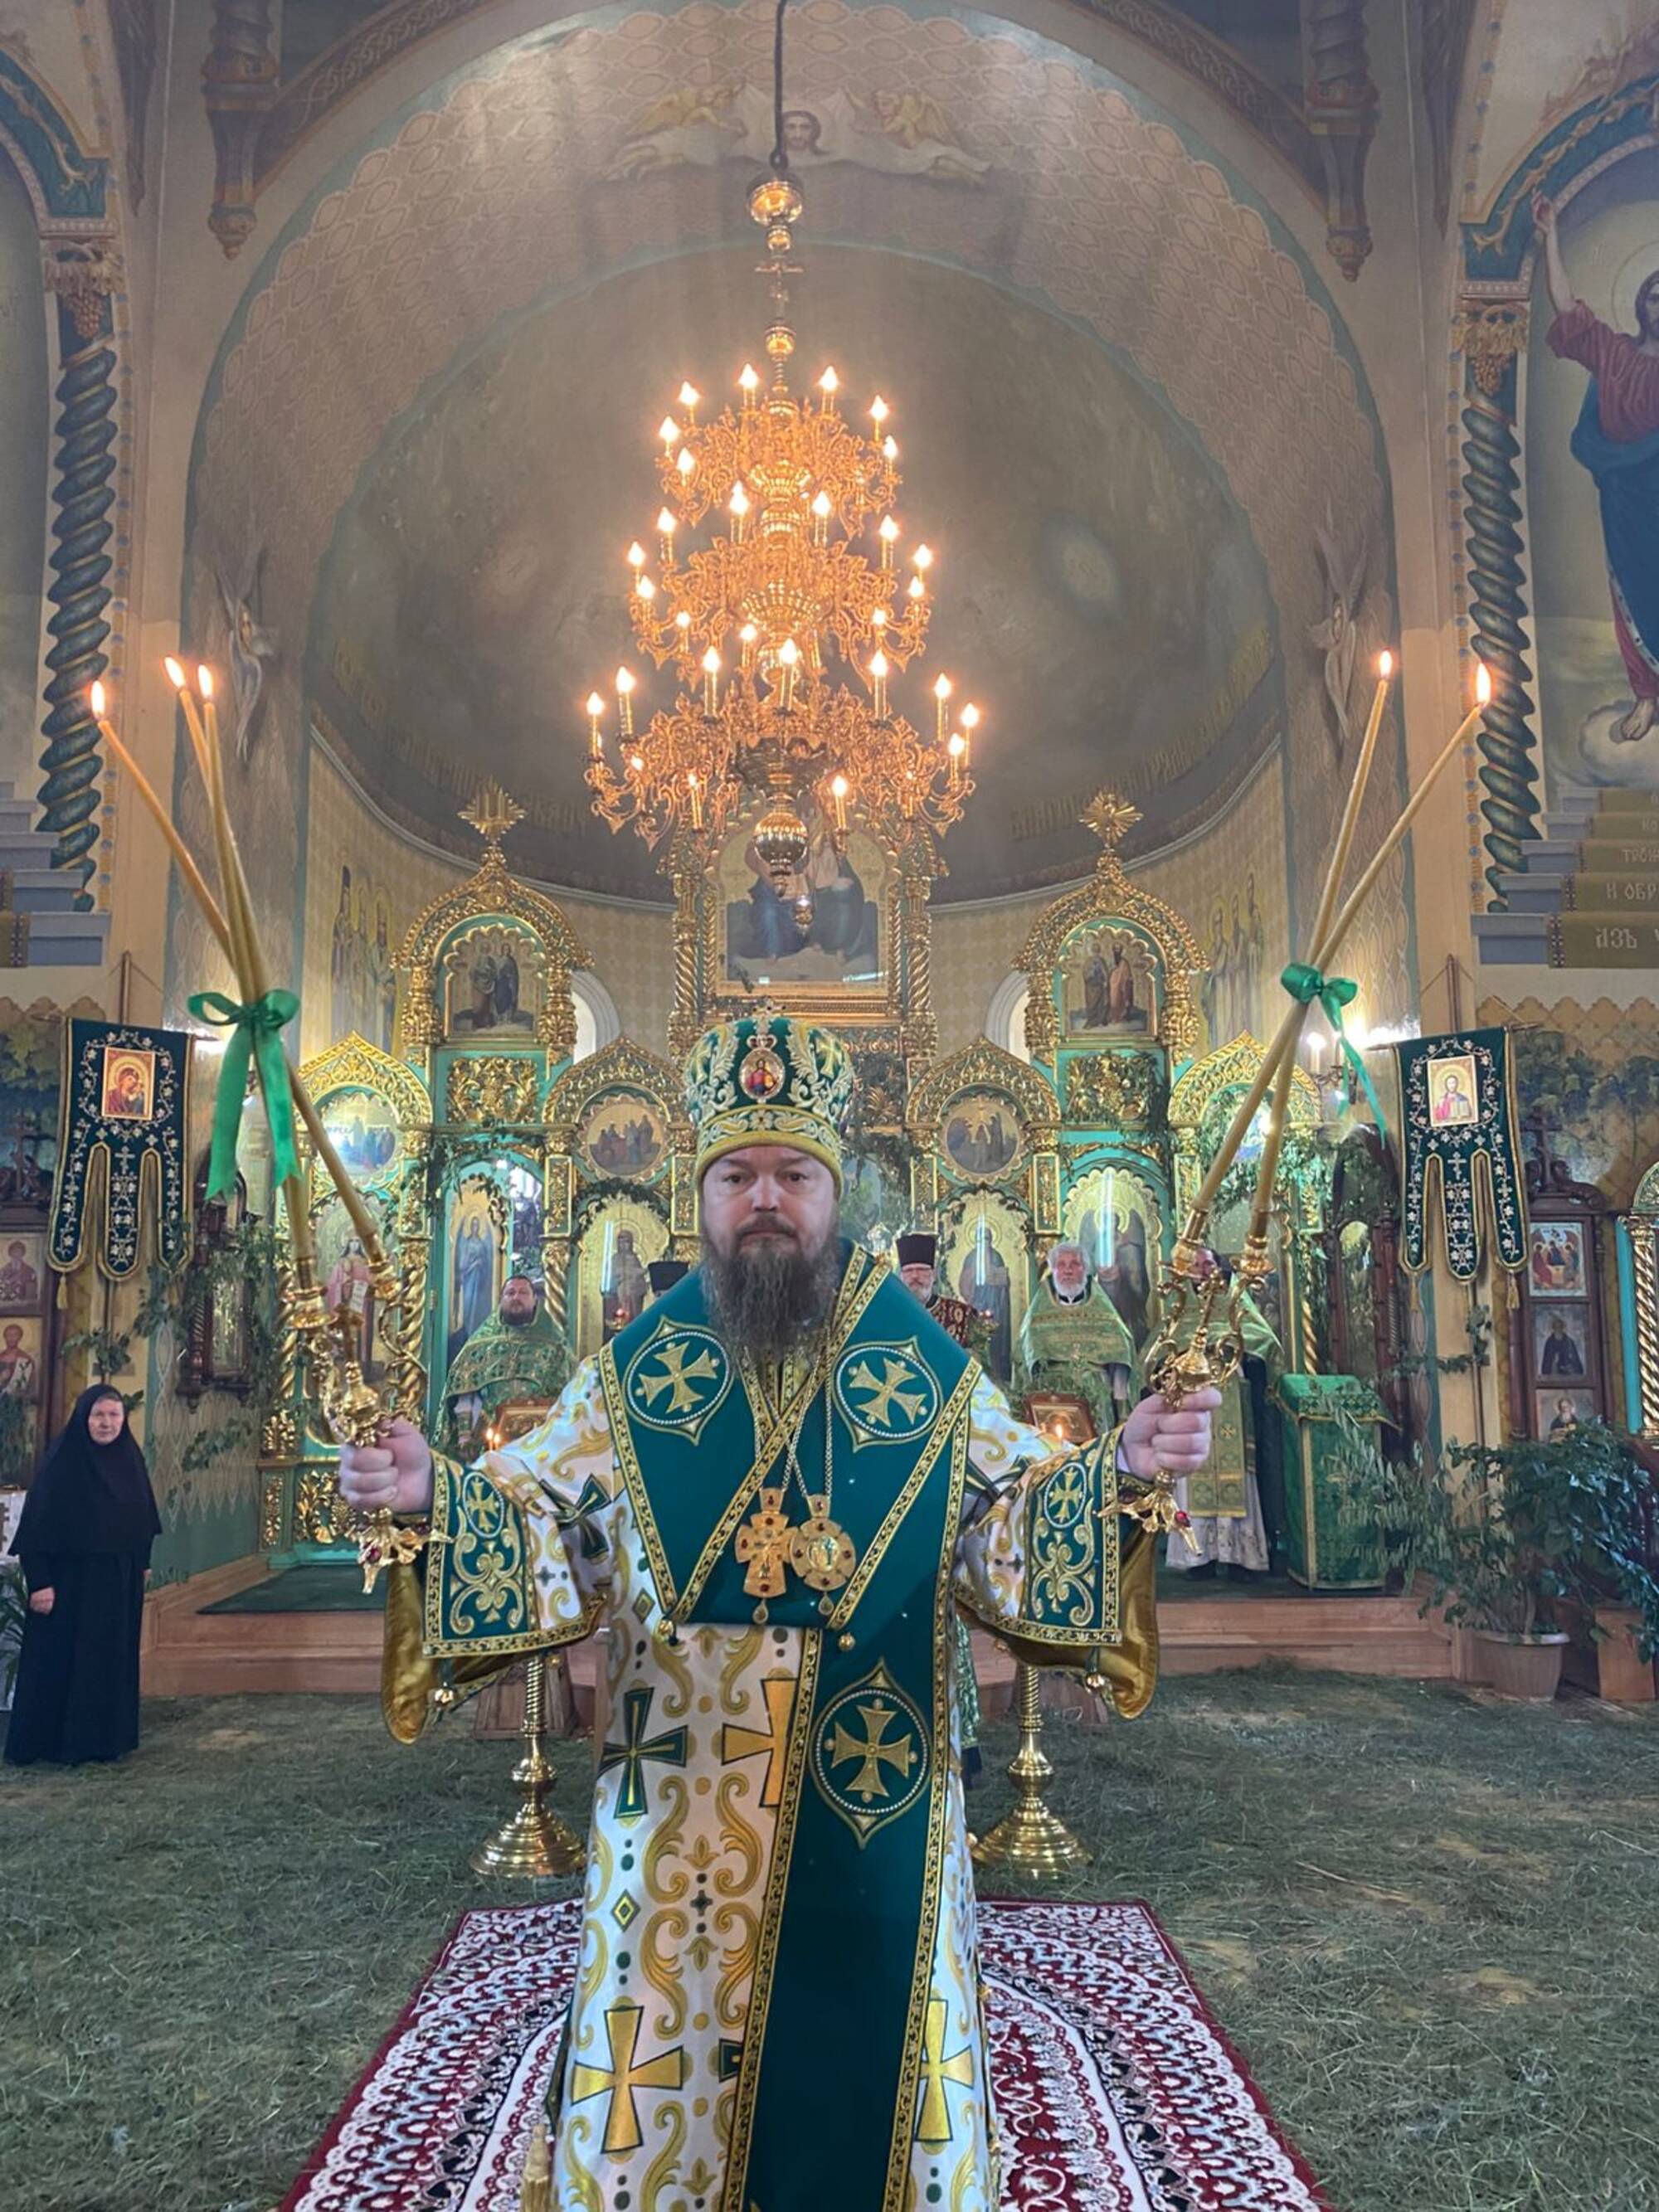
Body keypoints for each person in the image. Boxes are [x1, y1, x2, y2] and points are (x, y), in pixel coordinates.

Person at [338, 1012, 1215, 2212]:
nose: (764, 1198)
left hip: (875, 1796)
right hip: (671, 1818)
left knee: (877, 2070)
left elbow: (1008, 1520)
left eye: (792, 1174)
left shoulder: (921, 1367)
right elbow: (546, 1523)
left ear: (834, 1191)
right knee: (659, 2098)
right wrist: (433, 1494)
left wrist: (1119, 1471)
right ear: (699, 1196)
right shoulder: (628, 1377)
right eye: (737, 1175)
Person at [1535, 192, 1659, 745]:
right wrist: (1550, 238)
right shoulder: (1614, 354)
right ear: (1640, 303)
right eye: (1655, 295)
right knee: (1632, 589)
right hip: (1627, 498)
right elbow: (1568, 311)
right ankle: (1647, 696)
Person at [4, 1388, 161, 1766]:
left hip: (118, 1582)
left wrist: (142, 1564)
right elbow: (37, 1529)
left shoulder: (130, 1460)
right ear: (83, 1418)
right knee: (65, 1660)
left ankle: (105, 1741)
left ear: (123, 1420)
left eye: (114, 1415)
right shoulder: (62, 1464)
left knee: (108, 1660)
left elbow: (143, 1520)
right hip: (69, 1585)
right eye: (98, 1416)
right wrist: (40, 1583)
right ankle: (58, 1744)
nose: (107, 1423)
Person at [896, 1231, 988, 1783]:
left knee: (944, 1607)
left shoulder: (959, 1317)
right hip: (894, 1458)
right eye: (908, 1272)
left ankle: (961, 1741)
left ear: (933, 1273)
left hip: (947, 1460)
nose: (914, 1279)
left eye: (921, 1272)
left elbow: (978, 1381)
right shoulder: (883, 1315)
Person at [1164, 1248, 1283, 1581]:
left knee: (1239, 1474)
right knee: (1191, 1471)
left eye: (1209, 1264)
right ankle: (1198, 1557)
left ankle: (1239, 1557)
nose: (1203, 1271)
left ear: (1220, 1268)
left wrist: (1231, 1349)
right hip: (1190, 1400)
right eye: (1197, 1265)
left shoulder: (1235, 1301)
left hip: (1232, 1398)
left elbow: (1264, 1341)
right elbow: (1162, 1348)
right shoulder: (1180, 1305)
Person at [1016, 1240, 1140, 1435]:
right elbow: (1024, 1365)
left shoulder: (1105, 1316)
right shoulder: (1036, 1318)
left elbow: (1121, 1360)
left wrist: (1123, 1412)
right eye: (1061, 1265)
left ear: (1086, 1270)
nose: (1068, 1271)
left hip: (1097, 1400)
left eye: (1075, 1264)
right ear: (1052, 1271)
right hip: (1052, 1400)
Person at [1540, 1314, 1585, 1378]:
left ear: (1563, 1328)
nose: (1558, 1330)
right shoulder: (1550, 1342)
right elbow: (1547, 1361)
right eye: (1556, 1327)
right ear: (1553, 1328)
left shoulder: (1569, 1342)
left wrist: (1571, 1366)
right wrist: (1553, 1362)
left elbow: (1575, 1359)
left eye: (1560, 1327)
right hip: (1554, 1373)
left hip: (1568, 1373)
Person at [0, 1239, 37, 1303]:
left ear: (23, 1254)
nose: (16, 1255)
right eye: (14, 1252)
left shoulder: (30, 1272)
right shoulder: (3, 1271)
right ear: (10, 1254)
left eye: (19, 1252)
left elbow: (31, 1295)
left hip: (24, 1305)